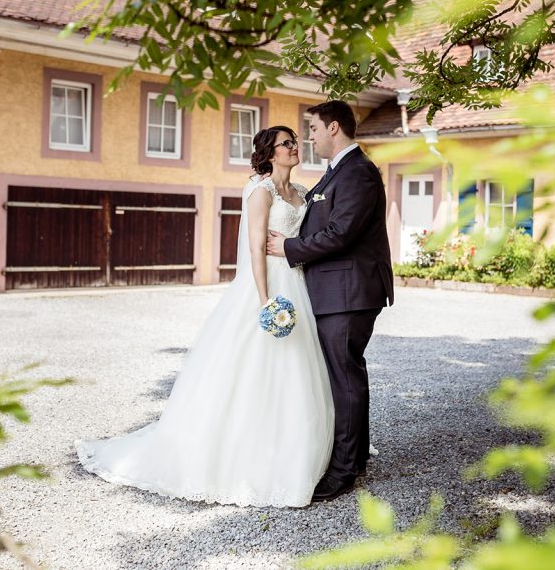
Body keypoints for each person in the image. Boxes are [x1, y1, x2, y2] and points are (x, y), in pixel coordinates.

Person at [76, 126, 334, 508]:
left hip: (297, 283)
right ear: (269, 152)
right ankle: (241, 457)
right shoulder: (260, 191)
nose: (295, 147)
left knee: (299, 367)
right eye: (286, 143)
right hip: (268, 288)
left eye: (295, 141)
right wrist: (266, 302)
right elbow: (255, 250)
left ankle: (298, 449)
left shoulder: (301, 194)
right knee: (253, 368)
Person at [267, 100, 394, 503]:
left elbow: (341, 232)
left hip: (349, 293)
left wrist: (290, 247)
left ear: (334, 127)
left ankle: (343, 472)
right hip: (337, 292)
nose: (310, 137)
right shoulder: (337, 173)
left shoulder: (357, 172)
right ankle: (352, 458)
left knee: (345, 379)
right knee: (346, 377)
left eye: (314, 129)